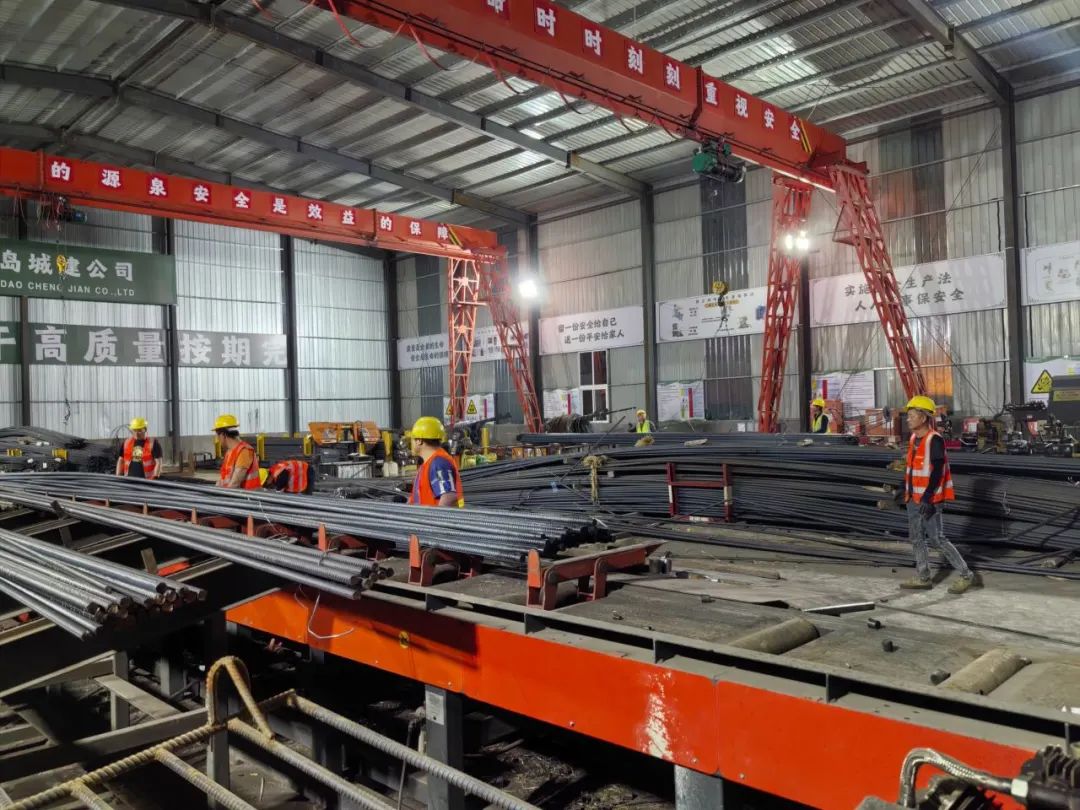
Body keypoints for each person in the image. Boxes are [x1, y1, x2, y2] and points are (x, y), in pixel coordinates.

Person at [900, 395, 977, 594]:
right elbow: (912, 468)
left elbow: (937, 471)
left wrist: (928, 497)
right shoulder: (913, 439)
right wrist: (904, 489)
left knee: (937, 539)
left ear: (923, 417)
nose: (908, 419)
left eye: (911, 416)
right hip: (913, 499)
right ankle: (923, 577)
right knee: (916, 538)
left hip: (930, 500)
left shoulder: (934, 440)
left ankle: (966, 575)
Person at [408, 417, 464, 508]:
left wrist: (436, 516)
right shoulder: (428, 464)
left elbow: (449, 497)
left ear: (419, 441)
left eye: (413, 439)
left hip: (434, 517)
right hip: (423, 516)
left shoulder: (438, 463)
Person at [213, 414, 260, 490]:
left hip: (248, 495)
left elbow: (235, 483)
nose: (218, 439)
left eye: (217, 436)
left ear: (223, 435)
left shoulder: (244, 451)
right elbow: (223, 478)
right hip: (233, 495)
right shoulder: (229, 452)